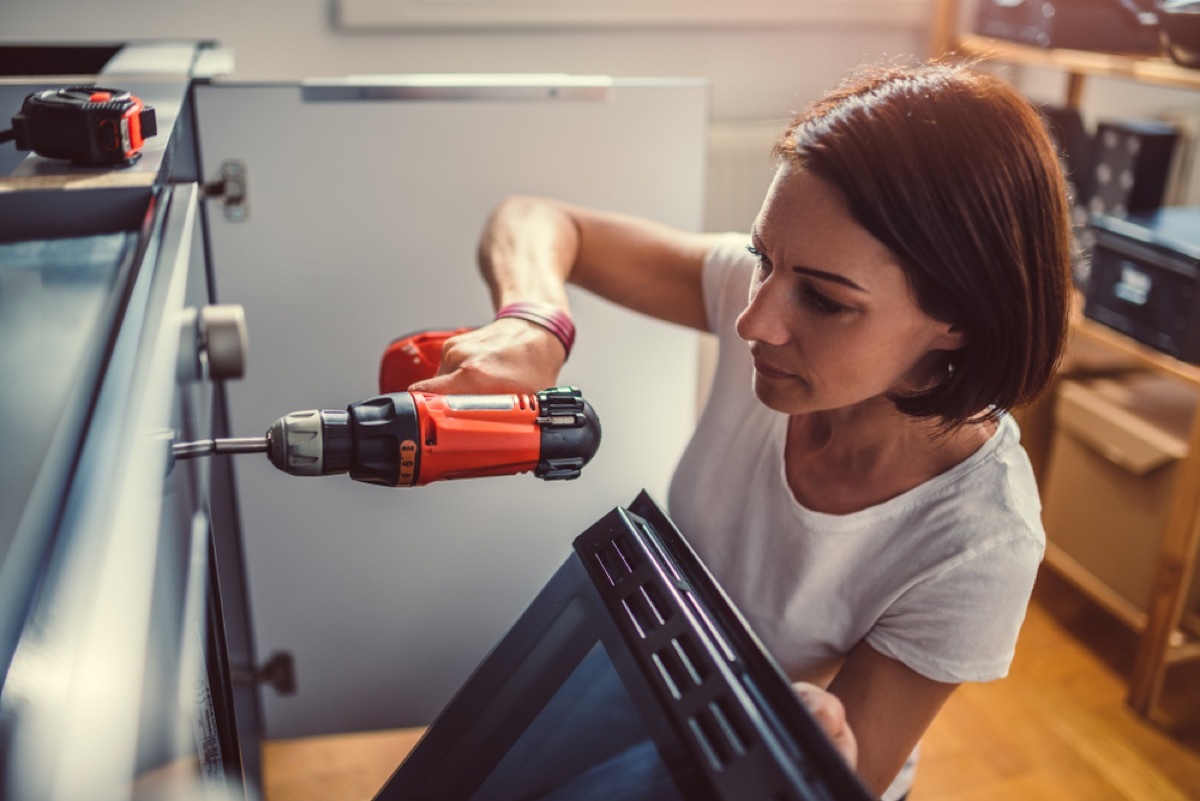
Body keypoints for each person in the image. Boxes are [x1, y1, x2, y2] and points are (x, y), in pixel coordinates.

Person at [409, 58, 1073, 800]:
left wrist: (818, 730)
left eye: (823, 299)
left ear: (958, 319)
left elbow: (831, 780)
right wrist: (533, 326)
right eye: (763, 258)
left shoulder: (982, 539)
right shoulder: (766, 306)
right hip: (655, 668)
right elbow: (531, 218)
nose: (755, 319)